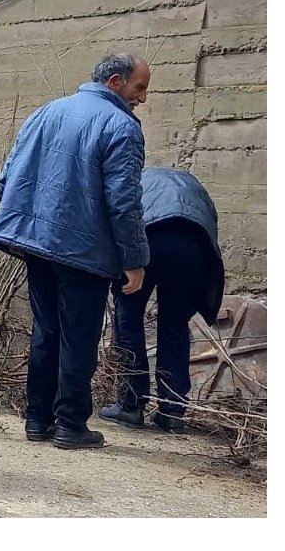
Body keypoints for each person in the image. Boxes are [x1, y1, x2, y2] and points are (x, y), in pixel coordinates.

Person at [0, 53, 152, 450]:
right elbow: (124, 202)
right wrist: (134, 259)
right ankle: (70, 425)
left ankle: (37, 419)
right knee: (78, 338)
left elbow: (8, 175)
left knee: (46, 330)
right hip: (83, 250)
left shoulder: (46, 111)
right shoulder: (121, 126)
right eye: (140, 88)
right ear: (115, 81)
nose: (143, 98)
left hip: (36, 243)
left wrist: (29, 222)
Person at [98, 167, 225, 433]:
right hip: (192, 247)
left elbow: (120, 217)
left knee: (129, 320)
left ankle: (131, 404)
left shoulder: (134, 181)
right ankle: (172, 410)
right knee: (175, 325)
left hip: (148, 239)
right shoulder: (193, 185)